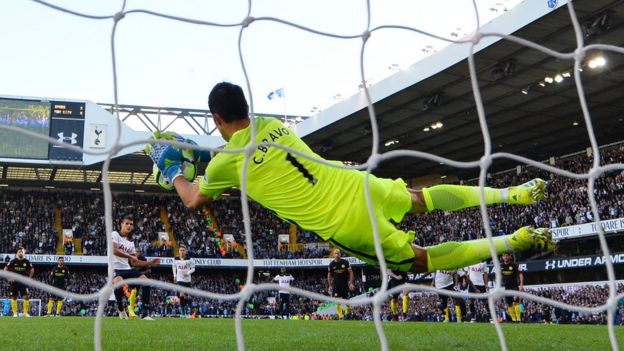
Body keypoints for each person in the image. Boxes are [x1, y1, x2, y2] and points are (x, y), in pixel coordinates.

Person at [146, 82, 554, 274]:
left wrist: (171, 168)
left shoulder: (223, 164)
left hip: (343, 222)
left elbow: (193, 199)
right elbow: (230, 153)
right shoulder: (273, 124)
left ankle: (510, 241)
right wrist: (189, 147)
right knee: (422, 197)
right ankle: (509, 194)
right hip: (355, 182)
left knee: (419, 260)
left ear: (216, 119)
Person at [111, 215, 160, 321]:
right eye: (126, 223)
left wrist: (150, 263)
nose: (129, 226)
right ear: (121, 224)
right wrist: (129, 256)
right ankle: (120, 308)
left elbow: (134, 263)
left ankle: (145, 314)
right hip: (115, 268)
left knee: (146, 282)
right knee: (119, 285)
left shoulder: (130, 243)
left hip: (127, 268)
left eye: (131, 224)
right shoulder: (114, 234)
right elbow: (114, 250)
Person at [4, 247, 34, 317]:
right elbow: (5, 268)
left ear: (23, 253)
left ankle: (25, 313)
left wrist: (29, 278)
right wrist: (8, 278)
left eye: (22, 252)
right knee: (14, 297)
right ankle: (15, 313)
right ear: (17, 253)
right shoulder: (13, 261)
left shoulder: (26, 262)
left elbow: (32, 269)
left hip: (23, 282)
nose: (20, 253)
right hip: (15, 282)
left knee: (26, 297)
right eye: (19, 252)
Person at [328, 249, 355, 319]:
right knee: (337, 300)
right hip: (336, 285)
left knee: (347, 300)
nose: (337, 255)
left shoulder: (345, 262)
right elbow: (329, 275)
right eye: (335, 253)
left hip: (344, 284)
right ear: (333, 255)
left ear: (340, 254)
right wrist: (330, 285)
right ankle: (340, 316)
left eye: (338, 253)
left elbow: (351, 272)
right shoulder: (331, 264)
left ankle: (347, 312)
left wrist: (351, 283)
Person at [126, 247, 151, 318]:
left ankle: (134, 310)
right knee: (133, 293)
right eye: (137, 251)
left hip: (140, 278)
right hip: (132, 278)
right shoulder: (130, 258)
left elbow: (149, 270)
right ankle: (129, 310)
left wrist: (140, 273)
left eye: (140, 251)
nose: (138, 253)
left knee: (136, 294)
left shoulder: (144, 259)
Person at [172, 245, 195, 318]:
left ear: (185, 251)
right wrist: (175, 275)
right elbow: (173, 266)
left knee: (184, 297)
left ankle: (184, 312)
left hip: (187, 280)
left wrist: (187, 273)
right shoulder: (175, 259)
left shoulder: (190, 259)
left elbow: (193, 269)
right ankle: (182, 313)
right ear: (178, 251)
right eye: (180, 250)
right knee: (181, 295)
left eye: (183, 250)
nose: (182, 252)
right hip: (179, 279)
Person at [500, 252, 524, 323]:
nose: (505, 257)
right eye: (504, 256)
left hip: (514, 287)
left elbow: (520, 274)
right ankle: (514, 320)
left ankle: (519, 319)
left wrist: (521, 285)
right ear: (502, 257)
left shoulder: (514, 265)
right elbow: (498, 275)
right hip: (506, 287)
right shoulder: (501, 266)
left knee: (516, 303)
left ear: (509, 257)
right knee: (509, 304)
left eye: (507, 256)